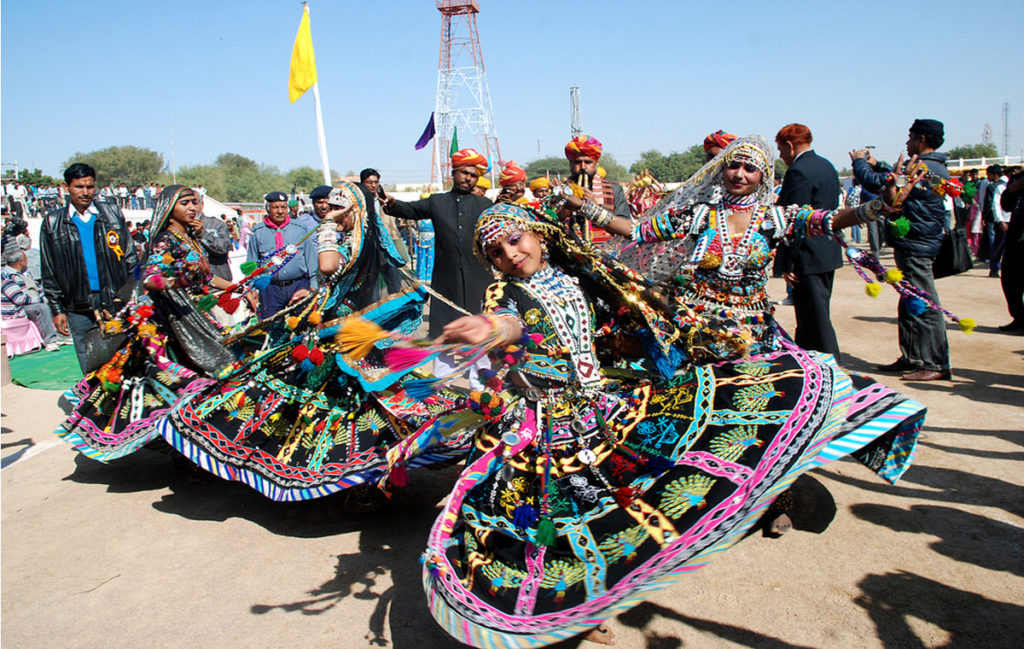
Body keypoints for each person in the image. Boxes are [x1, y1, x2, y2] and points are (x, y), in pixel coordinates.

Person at [415, 195, 924, 648]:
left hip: (607, 400)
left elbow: (630, 311)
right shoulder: (504, 294)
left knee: (631, 492)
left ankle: (622, 582)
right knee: (561, 512)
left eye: (514, 240)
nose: (510, 255)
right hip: (553, 419)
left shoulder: (584, 274)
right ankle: (569, 606)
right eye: (497, 254)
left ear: (539, 233)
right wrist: (489, 327)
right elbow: (510, 321)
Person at [160, 182, 460, 501]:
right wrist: (316, 291)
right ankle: (359, 483)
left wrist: (328, 225)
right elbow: (335, 279)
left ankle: (366, 482)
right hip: (338, 333)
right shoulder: (353, 239)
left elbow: (329, 266)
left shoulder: (351, 239)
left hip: (350, 340)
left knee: (361, 410)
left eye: (336, 206)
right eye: (328, 206)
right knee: (348, 410)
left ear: (353, 210)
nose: (329, 210)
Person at [56, 186, 236, 462]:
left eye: (195, 202)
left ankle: (194, 448)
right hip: (167, 326)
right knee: (181, 386)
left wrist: (237, 288)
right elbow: (149, 278)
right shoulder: (165, 241)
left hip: (191, 316)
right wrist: (177, 282)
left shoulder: (188, 238)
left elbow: (206, 278)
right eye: (185, 203)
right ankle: (184, 454)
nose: (193, 207)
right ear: (169, 209)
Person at [852, 119, 952, 381]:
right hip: (915, 241)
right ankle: (913, 357)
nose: (907, 143)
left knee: (924, 301)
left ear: (921, 139)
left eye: (910, 138)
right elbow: (894, 177)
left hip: (917, 243)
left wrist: (860, 162)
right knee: (909, 300)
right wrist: (878, 165)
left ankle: (934, 363)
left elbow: (878, 184)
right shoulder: (933, 167)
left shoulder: (923, 168)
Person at [384, 148, 493, 384]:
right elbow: (411, 210)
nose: (468, 178)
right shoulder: (437, 202)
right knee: (445, 328)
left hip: (479, 278)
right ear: (453, 173)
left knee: (480, 327)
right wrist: (392, 204)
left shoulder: (484, 204)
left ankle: (480, 382)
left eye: (473, 176)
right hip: (446, 279)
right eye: (464, 173)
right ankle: (440, 382)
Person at [39, 163, 139, 372]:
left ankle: (121, 402)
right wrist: (56, 309)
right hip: (77, 303)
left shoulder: (111, 213)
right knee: (87, 356)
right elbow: (49, 269)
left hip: (115, 298)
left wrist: (135, 291)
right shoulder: (52, 222)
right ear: (66, 187)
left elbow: (129, 256)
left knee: (121, 353)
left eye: (90, 186)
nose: (85, 192)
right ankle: (95, 403)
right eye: (79, 187)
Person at [774, 123, 843, 361]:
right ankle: (807, 363)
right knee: (810, 316)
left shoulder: (798, 171)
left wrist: (788, 264)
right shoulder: (826, 165)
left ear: (790, 146)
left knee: (815, 318)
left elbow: (791, 220)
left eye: (781, 150)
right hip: (826, 250)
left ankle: (834, 367)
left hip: (806, 255)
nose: (781, 156)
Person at [246, 191, 318, 319]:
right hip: (270, 289)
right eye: (275, 207)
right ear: (268, 209)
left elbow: (310, 258)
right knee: (271, 327)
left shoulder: (300, 229)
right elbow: (252, 262)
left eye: (283, 207)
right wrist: (251, 287)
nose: (280, 211)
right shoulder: (258, 232)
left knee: (303, 324)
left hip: (298, 284)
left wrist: (313, 284)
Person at [563, 134, 630, 243]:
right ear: (570, 163)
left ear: (596, 164)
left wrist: (596, 208)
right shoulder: (560, 191)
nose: (583, 167)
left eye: (588, 162)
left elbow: (627, 228)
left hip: (606, 253)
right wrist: (563, 211)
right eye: (578, 162)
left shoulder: (614, 190)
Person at [1, 247, 71, 351]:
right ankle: (50, 340)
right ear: (20, 262)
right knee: (42, 307)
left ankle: (65, 334)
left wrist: (48, 299)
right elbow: (18, 299)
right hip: (19, 308)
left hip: (32, 302)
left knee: (57, 303)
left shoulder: (26, 274)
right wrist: (42, 300)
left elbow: (39, 289)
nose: (27, 262)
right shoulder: (6, 276)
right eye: (26, 260)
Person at [997, 168, 1024, 333]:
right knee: (1009, 280)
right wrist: (1010, 191)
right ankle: (1019, 318)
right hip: (1016, 237)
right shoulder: (1018, 179)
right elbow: (1006, 207)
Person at [191, 192, 233, 281]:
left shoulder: (216, 224)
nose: (191, 207)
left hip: (218, 283)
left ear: (201, 204)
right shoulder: (179, 228)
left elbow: (222, 248)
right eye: (185, 203)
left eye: (194, 203)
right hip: (192, 285)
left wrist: (202, 233)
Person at [986, 165, 1010, 278]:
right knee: (999, 245)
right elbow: (995, 205)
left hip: (1015, 221)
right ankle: (994, 268)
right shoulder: (1000, 188)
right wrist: (1000, 220)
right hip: (1003, 220)